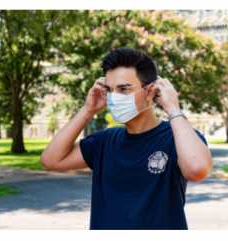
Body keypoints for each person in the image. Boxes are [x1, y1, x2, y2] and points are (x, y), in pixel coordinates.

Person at [39, 48, 213, 230]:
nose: (114, 97)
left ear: (150, 91)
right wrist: (87, 111)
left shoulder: (177, 137)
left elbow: (197, 169)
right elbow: (51, 160)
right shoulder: (104, 141)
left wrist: (173, 110)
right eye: (109, 90)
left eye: (123, 89)